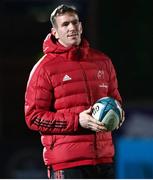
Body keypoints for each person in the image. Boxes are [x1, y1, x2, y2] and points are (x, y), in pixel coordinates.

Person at [24, 4, 124, 179]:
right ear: (54, 32)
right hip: (67, 162)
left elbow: (115, 100)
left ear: (81, 26)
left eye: (75, 22)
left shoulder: (102, 61)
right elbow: (33, 117)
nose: (72, 28)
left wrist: (118, 113)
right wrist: (77, 121)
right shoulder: (44, 69)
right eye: (65, 24)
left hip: (104, 159)